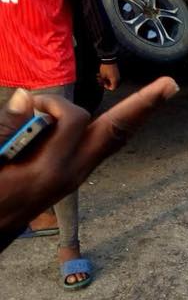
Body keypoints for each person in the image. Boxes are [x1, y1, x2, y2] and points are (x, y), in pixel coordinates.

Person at [0, 0, 120, 289]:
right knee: (12, 153)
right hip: (2, 71)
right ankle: (40, 213)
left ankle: (69, 244)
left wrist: (107, 55)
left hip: (48, 68)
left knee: (57, 156)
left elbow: (87, 0)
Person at [0, 79, 178, 254]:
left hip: (45, 65)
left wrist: (107, 58)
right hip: (7, 65)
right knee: (28, 155)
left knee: (59, 159)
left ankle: (69, 244)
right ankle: (41, 218)